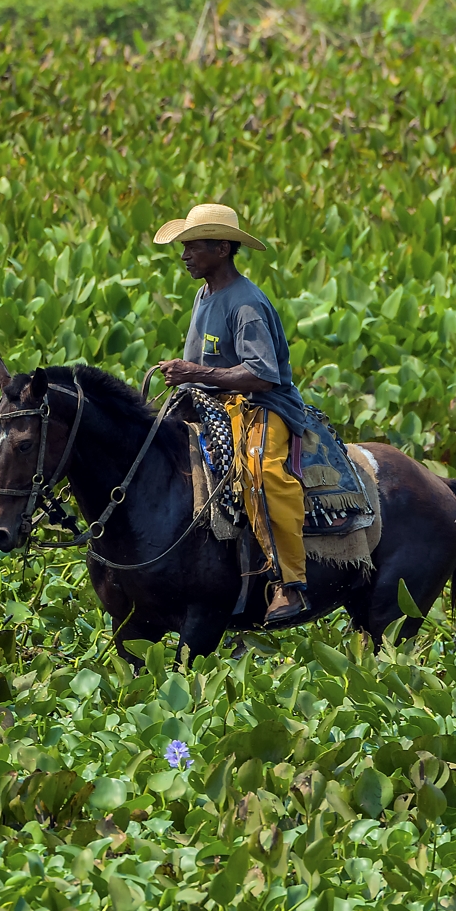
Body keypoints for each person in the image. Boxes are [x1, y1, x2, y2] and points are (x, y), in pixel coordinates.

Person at [152, 203, 312, 629]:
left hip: (260, 406)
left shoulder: (245, 304)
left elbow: (261, 375)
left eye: (193, 247)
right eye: (183, 247)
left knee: (262, 473)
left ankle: (289, 583)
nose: (184, 256)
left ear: (222, 248)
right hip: (209, 402)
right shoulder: (202, 294)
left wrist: (195, 373)